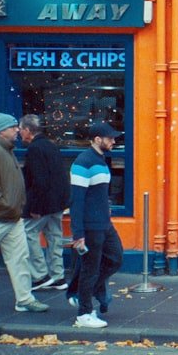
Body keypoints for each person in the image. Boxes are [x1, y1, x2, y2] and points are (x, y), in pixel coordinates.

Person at [69, 121, 125, 327]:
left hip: (104, 223)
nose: (113, 140)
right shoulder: (83, 162)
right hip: (91, 226)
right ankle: (84, 313)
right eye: (110, 138)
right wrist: (78, 233)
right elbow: (77, 201)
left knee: (116, 258)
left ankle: (82, 292)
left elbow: (97, 194)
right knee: (90, 269)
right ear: (97, 139)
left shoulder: (100, 160)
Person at [0, 112, 49, 313]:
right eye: (12, 127)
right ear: (2, 131)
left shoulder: (7, 149)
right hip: (3, 214)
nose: (17, 130)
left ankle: (25, 299)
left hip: (12, 216)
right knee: (19, 259)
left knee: (20, 258)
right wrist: (3, 203)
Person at [20, 114, 71, 292]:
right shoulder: (51, 145)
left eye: (21, 130)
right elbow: (60, 176)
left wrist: (34, 207)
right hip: (57, 202)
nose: (20, 134)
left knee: (28, 233)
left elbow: (39, 181)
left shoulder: (34, 149)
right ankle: (58, 276)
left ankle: (41, 275)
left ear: (27, 130)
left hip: (42, 203)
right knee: (54, 236)